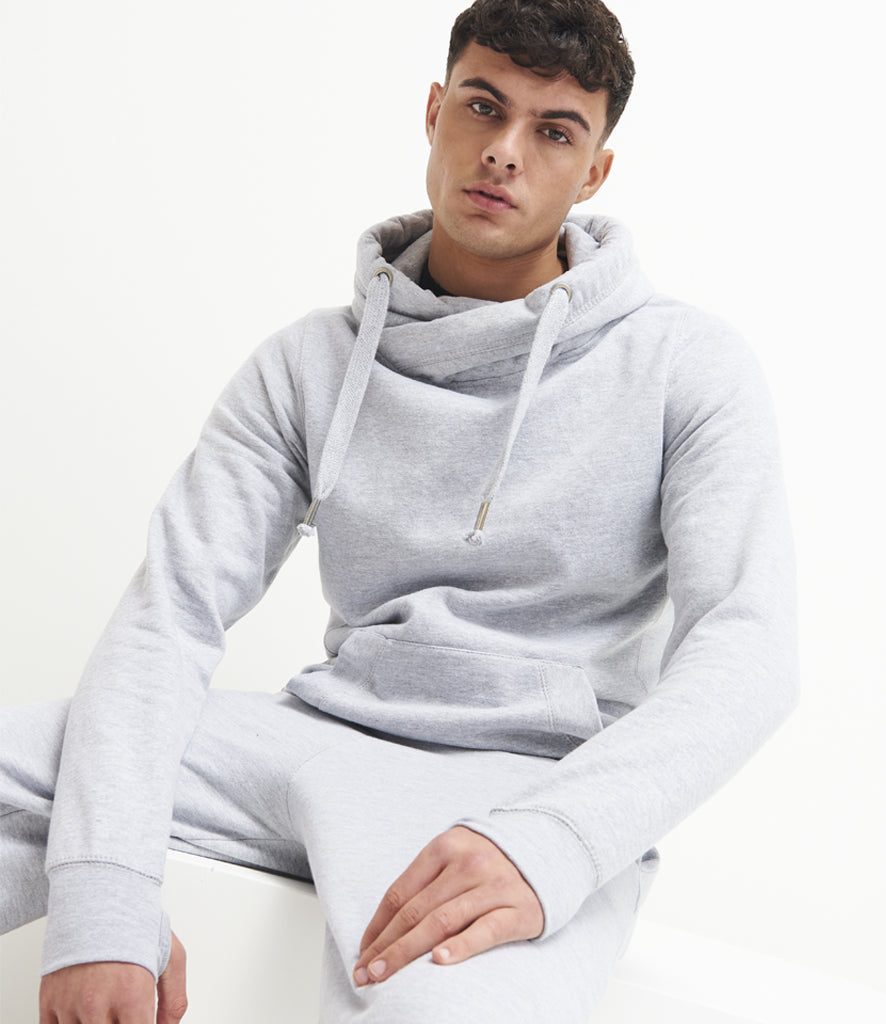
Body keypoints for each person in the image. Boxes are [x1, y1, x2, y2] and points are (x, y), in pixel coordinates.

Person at [0, 0, 798, 1020]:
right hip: (311, 734)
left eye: (554, 132)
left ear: (594, 172)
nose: (504, 152)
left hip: (519, 786)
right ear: (434, 111)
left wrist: (553, 840)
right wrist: (107, 898)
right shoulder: (307, 363)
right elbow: (171, 617)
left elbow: (749, 646)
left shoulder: (687, 365)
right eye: (483, 106)